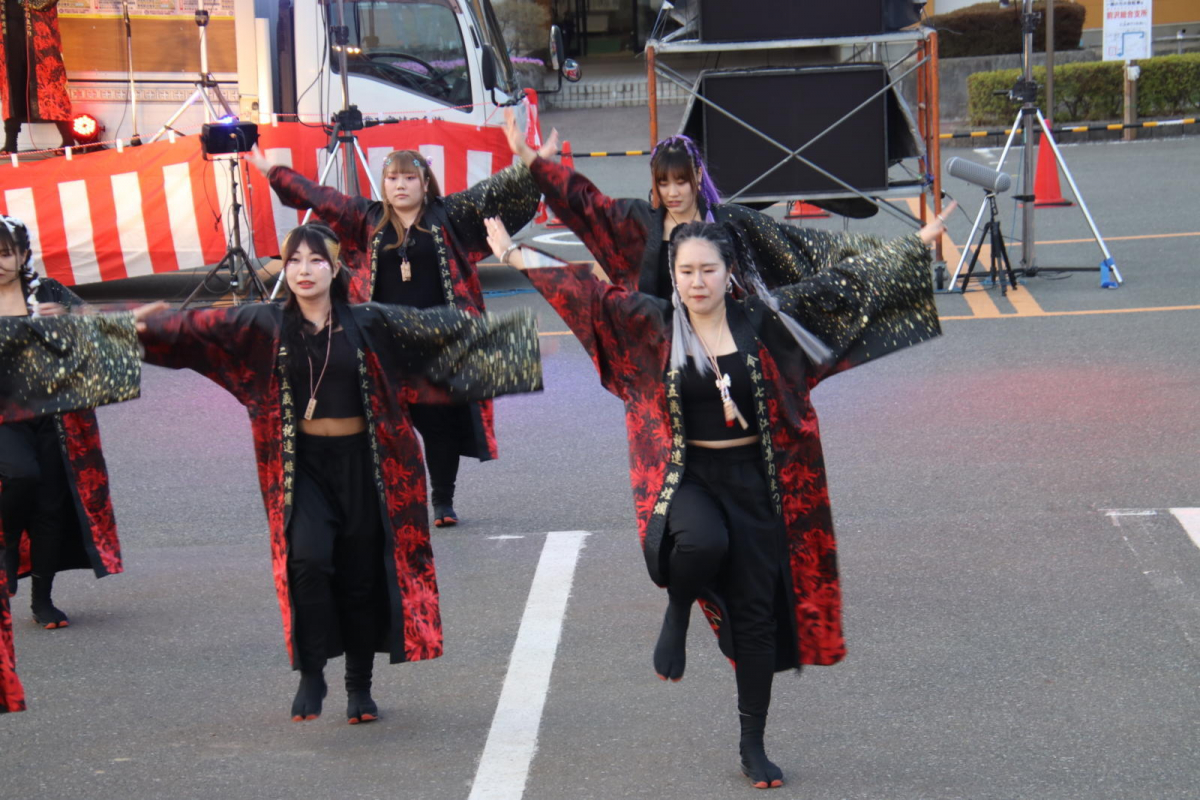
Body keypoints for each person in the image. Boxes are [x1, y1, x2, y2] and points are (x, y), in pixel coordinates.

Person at [485, 208, 948, 788]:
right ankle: (678, 606)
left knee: (755, 618)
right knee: (702, 543)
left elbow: (842, 287)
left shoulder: (766, 320)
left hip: (755, 480)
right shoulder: (652, 323)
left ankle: (752, 742)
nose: (697, 282)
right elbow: (587, 294)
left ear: (729, 273)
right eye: (686, 271)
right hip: (688, 475)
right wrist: (513, 255)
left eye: (708, 270)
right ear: (673, 275)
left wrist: (912, 247)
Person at [137, 223, 542, 724]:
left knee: (360, 577)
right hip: (303, 465)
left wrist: (511, 345)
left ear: (335, 268)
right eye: (294, 261)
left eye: (315, 261)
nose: (304, 271)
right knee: (307, 560)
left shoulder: (369, 322)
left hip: (366, 464)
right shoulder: (263, 324)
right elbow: (198, 331)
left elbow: (438, 330)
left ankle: (359, 686)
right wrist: (133, 330)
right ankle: (312, 670)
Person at [250, 131, 555, 527]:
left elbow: (493, 191)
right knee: (380, 426)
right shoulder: (367, 218)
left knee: (439, 424)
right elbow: (319, 196)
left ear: (425, 183)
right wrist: (272, 171)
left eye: (409, 177)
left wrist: (532, 161)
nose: (400, 185)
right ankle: (386, 500)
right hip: (382, 343)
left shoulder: (450, 215)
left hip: (439, 342)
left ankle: (442, 500)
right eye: (393, 178)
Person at [504, 116, 840, 301]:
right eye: (663, 183)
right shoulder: (640, 221)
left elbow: (794, 247)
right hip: (666, 354)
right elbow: (586, 203)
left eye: (681, 181)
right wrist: (529, 156)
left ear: (697, 176)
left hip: (726, 350)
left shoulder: (730, 222)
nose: (673, 192)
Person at [0, 215, 125, 636]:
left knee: (51, 506)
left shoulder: (46, 290)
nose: (0, 262)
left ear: (23, 254)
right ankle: (7, 546)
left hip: (54, 414)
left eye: (6, 253)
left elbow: (101, 328)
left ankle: (42, 597)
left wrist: (69, 318)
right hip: (3, 414)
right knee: (20, 475)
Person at [0, 0, 75, 154]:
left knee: (51, 83)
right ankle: (10, 143)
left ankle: (68, 140)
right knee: (12, 85)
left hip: (39, 27)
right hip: (8, 27)